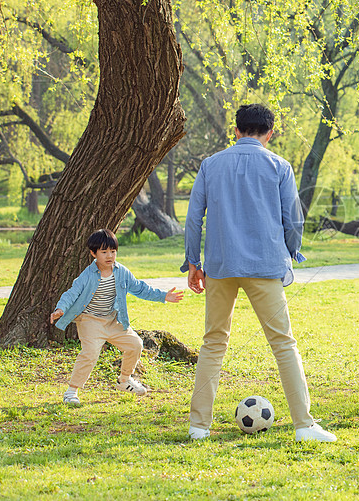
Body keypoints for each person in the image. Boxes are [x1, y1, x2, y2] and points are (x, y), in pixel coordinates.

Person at [183, 103, 336, 443]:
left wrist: (192, 262)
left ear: (236, 131)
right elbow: (293, 218)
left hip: (220, 267)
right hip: (265, 266)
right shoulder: (279, 165)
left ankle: (198, 425)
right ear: (270, 134)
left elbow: (194, 218)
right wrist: (292, 251)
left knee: (213, 343)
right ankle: (304, 425)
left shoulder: (210, 165)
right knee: (283, 343)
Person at [50, 229, 183, 407]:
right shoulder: (87, 275)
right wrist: (60, 308)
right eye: (104, 252)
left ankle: (124, 381)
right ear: (93, 253)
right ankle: (71, 392)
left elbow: (140, 288)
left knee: (135, 344)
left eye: (113, 251)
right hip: (90, 321)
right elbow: (71, 293)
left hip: (113, 320)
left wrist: (163, 296)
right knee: (89, 354)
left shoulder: (122, 272)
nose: (109, 256)